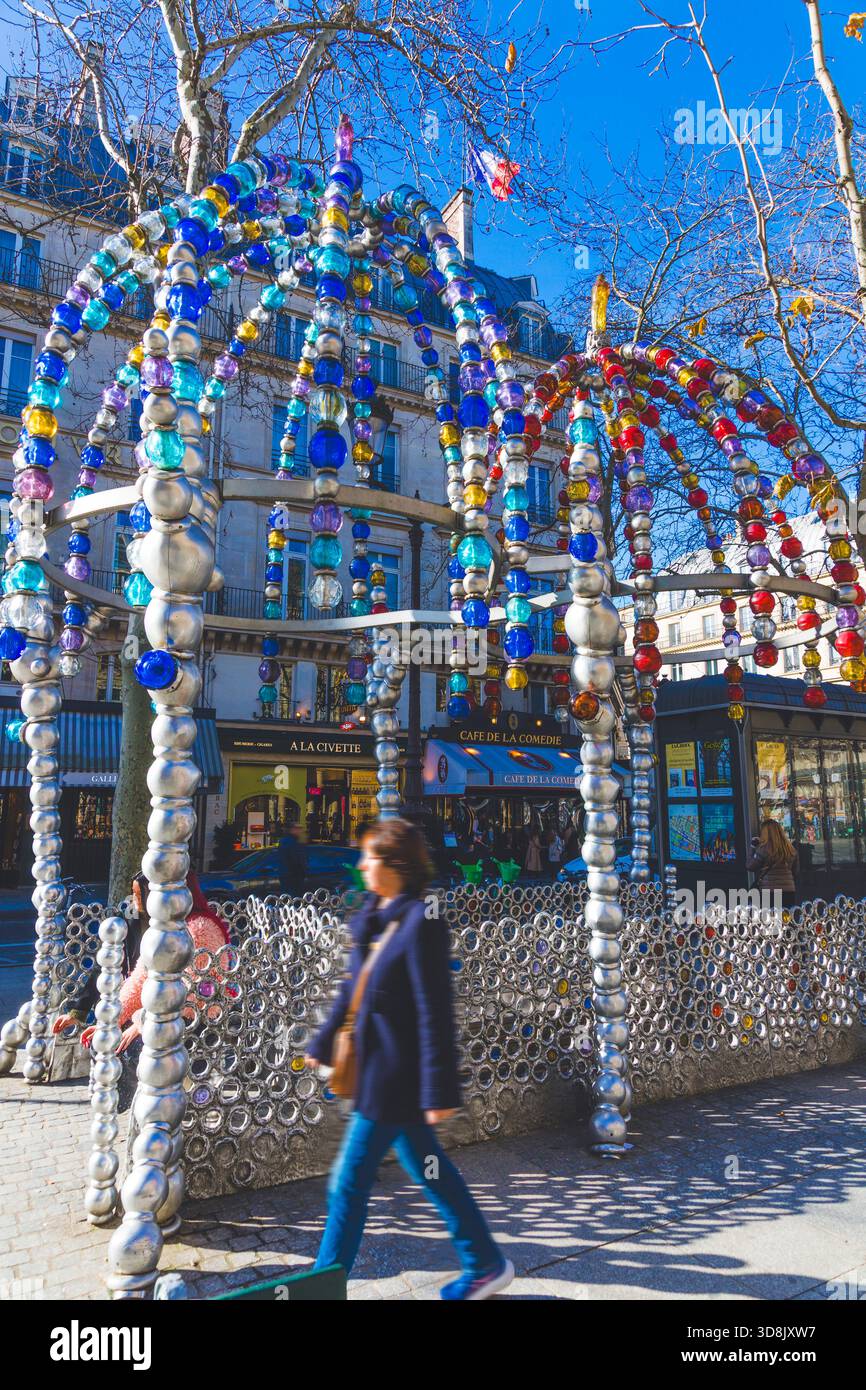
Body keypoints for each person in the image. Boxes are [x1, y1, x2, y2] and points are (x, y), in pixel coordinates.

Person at [305, 817, 514, 1300]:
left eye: (369, 856)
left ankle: (321, 1286)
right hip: (381, 1074)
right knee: (431, 1171)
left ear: (394, 863)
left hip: (395, 1081)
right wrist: (321, 1044)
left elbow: (434, 1009)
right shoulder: (377, 914)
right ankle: (485, 1261)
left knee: (347, 1184)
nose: (360, 864)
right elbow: (352, 989)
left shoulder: (424, 920)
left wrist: (439, 1090)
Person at [746, 818, 800, 908]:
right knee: (786, 919)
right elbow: (795, 872)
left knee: (771, 919)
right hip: (789, 891)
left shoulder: (763, 849)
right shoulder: (791, 850)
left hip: (769, 891)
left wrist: (752, 847)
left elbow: (750, 866)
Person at [277, 821, 307, 896]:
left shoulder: (285, 841)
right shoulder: (293, 842)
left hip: (286, 875)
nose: (300, 831)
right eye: (298, 828)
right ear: (292, 829)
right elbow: (296, 859)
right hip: (293, 876)